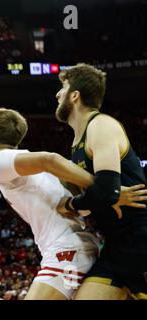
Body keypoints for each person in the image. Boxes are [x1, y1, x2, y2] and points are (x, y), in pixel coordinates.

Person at [0, 108, 146, 300]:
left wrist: (108, 189)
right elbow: (83, 208)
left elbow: (49, 159)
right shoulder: (36, 171)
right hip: (79, 247)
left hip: (65, 251)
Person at [54, 64, 147, 300]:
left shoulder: (101, 125)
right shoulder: (76, 143)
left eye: (63, 88)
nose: (57, 94)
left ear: (75, 95)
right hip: (116, 245)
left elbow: (106, 190)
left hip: (140, 239)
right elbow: (102, 196)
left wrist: (69, 204)